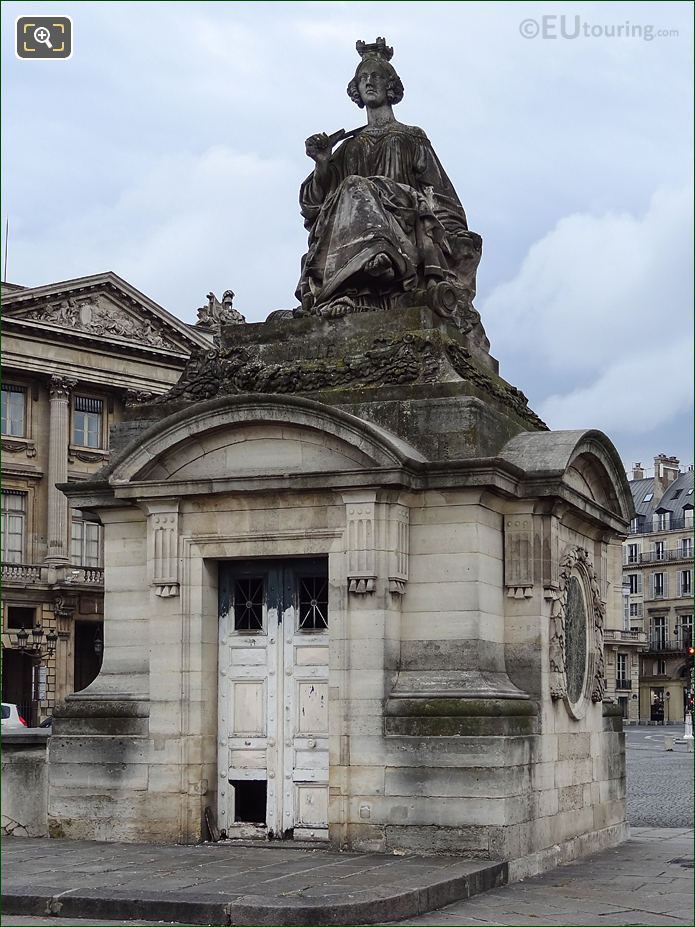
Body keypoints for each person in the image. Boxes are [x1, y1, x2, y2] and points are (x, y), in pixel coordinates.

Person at [295, 38, 481, 323]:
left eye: (376, 77)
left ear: (391, 86)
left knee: (355, 186)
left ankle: (371, 268)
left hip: (402, 221)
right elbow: (315, 204)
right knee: (353, 187)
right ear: (355, 88)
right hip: (351, 224)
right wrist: (322, 163)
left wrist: (452, 237)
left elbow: (440, 195)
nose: (369, 83)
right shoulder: (349, 146)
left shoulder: (411, 137)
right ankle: (354, 284)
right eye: (363, 78)